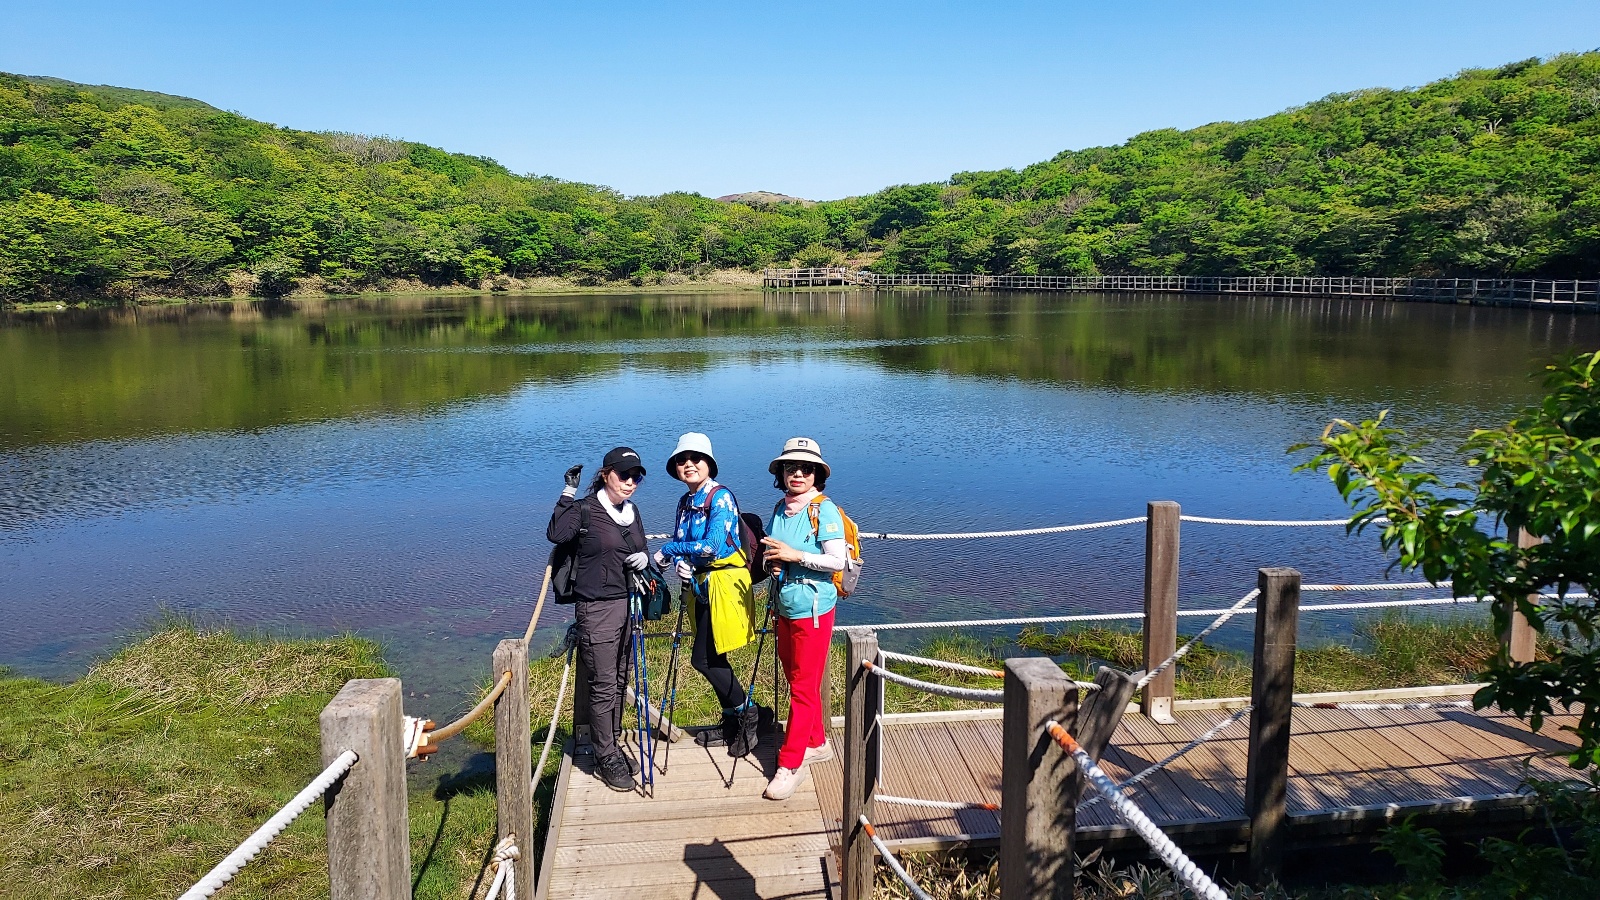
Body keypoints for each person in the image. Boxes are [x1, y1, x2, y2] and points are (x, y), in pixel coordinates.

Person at [653, 433, 765, 757]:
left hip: (724, 585)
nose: (688, 464)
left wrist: (669, 551)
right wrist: (682, 563)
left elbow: (712, 546)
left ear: (709, 464)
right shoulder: (685, 502)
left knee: (702, 659)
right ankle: (731, 720)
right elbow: (686, 542)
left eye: (696, 458)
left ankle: (748, 713)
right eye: (681, 460)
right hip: (700, 586)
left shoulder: (721, 497)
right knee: (713, 658)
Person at [547, 446, 651, 792]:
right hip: (596, 608)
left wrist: (643, 557)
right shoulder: (586, 509)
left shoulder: (631, 512)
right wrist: (568, 491)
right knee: (604, 683)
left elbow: (640, 547)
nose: (631, 482)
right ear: (606, 474)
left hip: (628, 605)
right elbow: (557, 534)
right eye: (624, 475)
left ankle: (613, 744)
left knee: (620, 679)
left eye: (636, 477)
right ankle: (605, 756)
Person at [759, 437, 846, 800]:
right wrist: (774, 563)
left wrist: (795, 556)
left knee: (803, 688)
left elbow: (837, 561)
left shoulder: (824, 510)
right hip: (784, 606)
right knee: (796, 678)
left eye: (806, 469)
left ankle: (790, 764)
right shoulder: (780, 508)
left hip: (813, 610)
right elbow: (773, 550)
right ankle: (817, 743)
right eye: (790, 467)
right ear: (781, 473)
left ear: (816, 474)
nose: (797, 473)